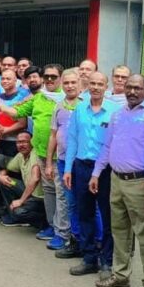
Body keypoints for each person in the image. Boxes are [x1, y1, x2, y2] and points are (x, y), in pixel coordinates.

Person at [90, 74, 144, 287]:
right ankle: (121, 275)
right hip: (116, 180)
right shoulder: (117, 115)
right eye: (129, 87)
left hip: (140, 183)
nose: (132, 91)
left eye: (137, 88)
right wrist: (96, 172)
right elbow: (107, 145)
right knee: (119, 230)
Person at [63, 72, 121, 279]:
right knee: (84, 213)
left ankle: (107, 261)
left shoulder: (115, 111)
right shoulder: (80, 109)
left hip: (105, 170)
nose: (96, 87)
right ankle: (89, 258)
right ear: (87, 86)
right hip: (82, 167)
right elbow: (72, 139)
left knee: (107, 215)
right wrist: (68, 168)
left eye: (100, 84)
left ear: (106, 86)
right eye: (93, 84)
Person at [0, 64, 63, 242]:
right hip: (41, 153)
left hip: (60, 156)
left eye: (53, 77)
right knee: (49, 192)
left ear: (60, 78)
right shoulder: (39, 97)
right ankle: (51, 226)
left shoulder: (66, 99)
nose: (49, 79)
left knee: (61, 195)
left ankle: (62, 232)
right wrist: (1, 107)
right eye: (47, 76)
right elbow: (18, 111)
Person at [46, 69, 90, 257]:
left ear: (80, 85)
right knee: (67, 201)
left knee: (86, 203)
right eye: (66, 83)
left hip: (82, 162)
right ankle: (71, 238)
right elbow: (53, 135)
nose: (70, 86)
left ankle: (89, 241)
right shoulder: (59, 106)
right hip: (63, 161)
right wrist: (49, 162)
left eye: (73, 82)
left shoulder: (87, 105)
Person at [0, 132, 47, 228]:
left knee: (19, 212)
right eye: (18, 142)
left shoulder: (35, 154)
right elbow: (8, 167)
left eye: (24, 142)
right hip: (28, 191)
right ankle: (14, 217)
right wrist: (1, 176)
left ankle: (45, 221)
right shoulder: (20, 155)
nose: (21, 145)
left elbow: (35, 178)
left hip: (39, 198)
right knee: (6, 181)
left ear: (32, 143)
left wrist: (21, 201)